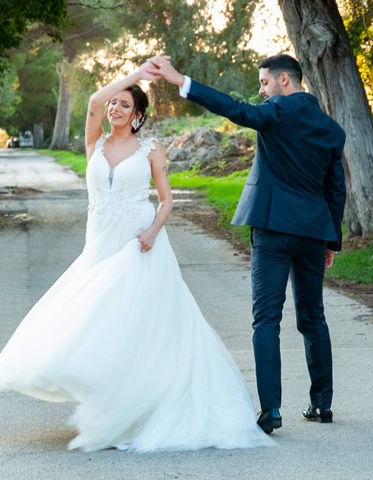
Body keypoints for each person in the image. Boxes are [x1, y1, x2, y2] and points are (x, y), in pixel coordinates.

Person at [0, 61, 274, 452]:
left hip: (138, 244)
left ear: (137, 115)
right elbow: (92, 101)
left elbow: (167, 200)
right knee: (94, 324)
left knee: (137, 325)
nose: (114, 109)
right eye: (113, 104)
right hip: (99, 244)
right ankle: (113, 401)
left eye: (124, 105)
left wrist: (153, 232)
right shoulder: (95, 143)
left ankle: (140, 409)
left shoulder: (150, 149)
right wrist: (136, 75)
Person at [152, 54, 346, 433]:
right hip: (311, 233)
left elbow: (234, 109)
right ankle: (322, 404)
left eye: (264, 83)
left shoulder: (275, 112)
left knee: (266, 320)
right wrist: (330, 242)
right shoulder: (330, 129)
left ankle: (271, 411)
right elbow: (335, 190)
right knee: (313, 317)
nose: (261, 91)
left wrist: (182, 81)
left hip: (272, 229)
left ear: (285, 81)